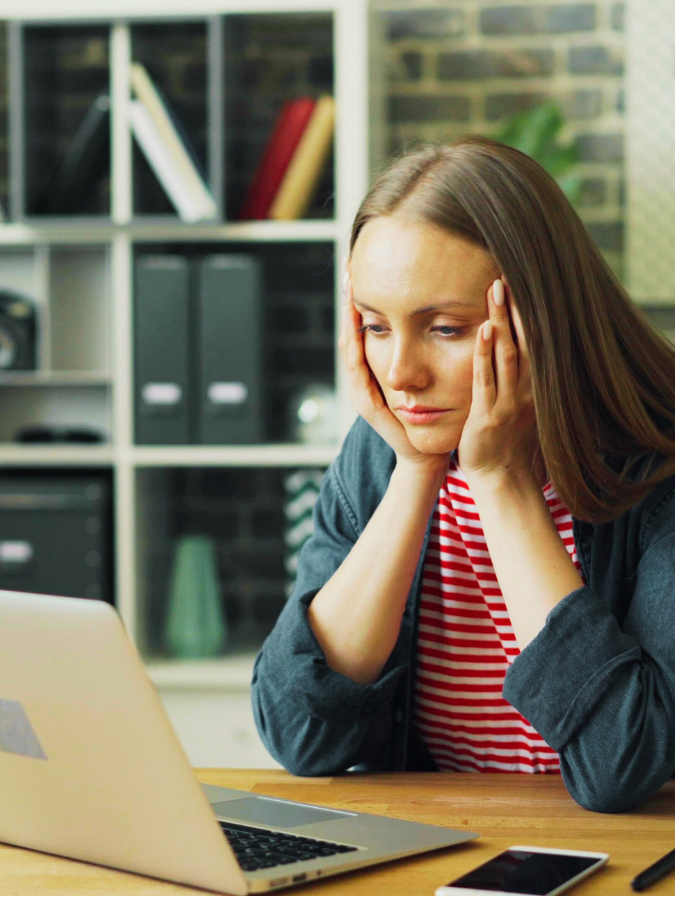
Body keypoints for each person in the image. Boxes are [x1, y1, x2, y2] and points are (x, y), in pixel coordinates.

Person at [251, 135, 675, 814]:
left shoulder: (659, 455)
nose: (400, 375)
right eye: (374, 326)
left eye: (444, 329)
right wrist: (414, 471)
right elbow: (301, 735)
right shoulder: (383, 450)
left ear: (543, 319)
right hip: (445, 849)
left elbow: (619, 764)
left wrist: (502, 481)